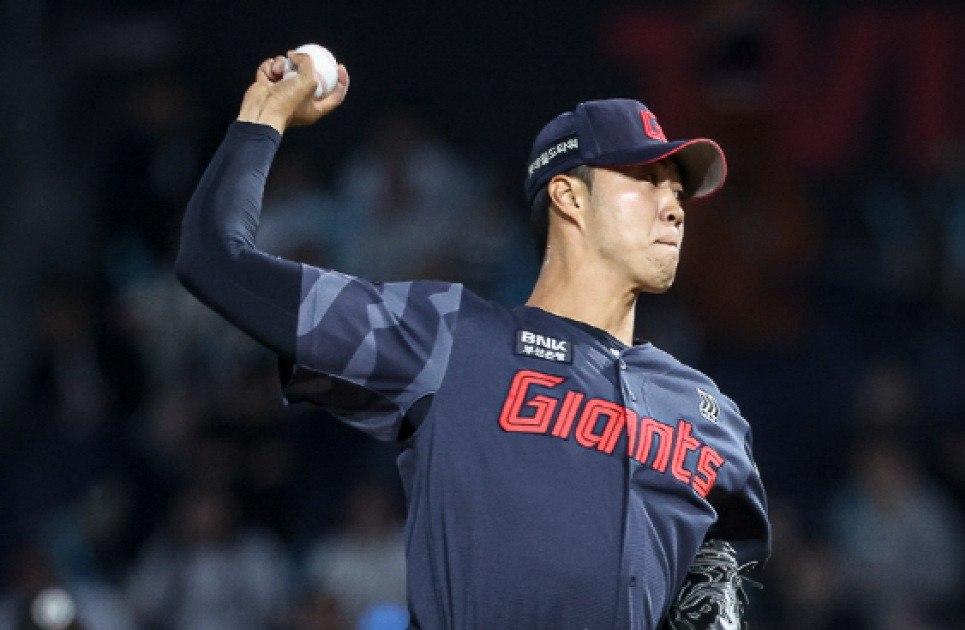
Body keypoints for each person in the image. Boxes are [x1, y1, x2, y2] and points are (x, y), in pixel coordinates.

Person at [175, 49, 770, 629]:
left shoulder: (707, 414)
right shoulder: (448, 339)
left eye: (677, 189)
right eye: (647, 178)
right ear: (568, 195)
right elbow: (216, 261)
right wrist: (265, 115)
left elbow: (726, 562)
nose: (674, 206)